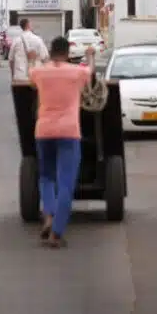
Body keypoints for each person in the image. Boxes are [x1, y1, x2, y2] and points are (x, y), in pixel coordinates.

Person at [29, 36, 94, 248]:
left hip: (44, 131)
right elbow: (90, 73)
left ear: (50, 51)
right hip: (68, 132)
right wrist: (90, 56)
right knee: (65, 182)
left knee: (46, 177)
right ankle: (56, 233)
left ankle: (48, 215)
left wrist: (32, 59)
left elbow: (30, 74)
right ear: (67, 53)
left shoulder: (40, 72)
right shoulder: (76, 73)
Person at [8, 17, 49, 83]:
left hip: (19, 77)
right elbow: (45, 58)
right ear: (28, 25)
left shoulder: (16, 41)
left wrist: (13, 76)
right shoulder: (38, 39)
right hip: (35, 77)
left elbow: (11, 61)